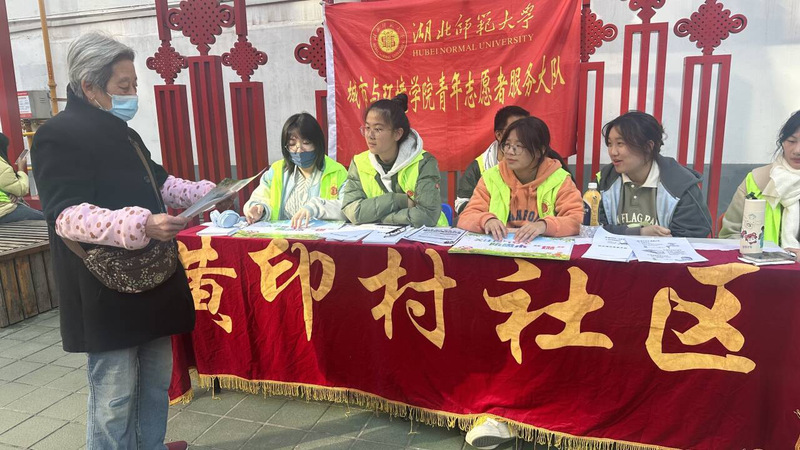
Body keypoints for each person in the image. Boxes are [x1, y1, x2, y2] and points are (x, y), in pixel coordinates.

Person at [31, 32, 225, 450]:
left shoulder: (124, 133)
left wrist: (205, 193)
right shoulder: (57, 136)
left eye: (134, 84)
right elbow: (65, 215)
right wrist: (142, 224)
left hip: (152, 275)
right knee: (114, 395)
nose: (132, 93)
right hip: (105, 285)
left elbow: (159, 181)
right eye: (124, 85)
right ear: (89, 85)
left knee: (155, 382)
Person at [457, 116, 583, 243]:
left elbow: (577, 220)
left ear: (540, 151)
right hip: (500, 248)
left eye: (518, 146)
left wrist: (544, 225)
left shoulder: (559, 179)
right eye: (507, 145)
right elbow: (466, 217)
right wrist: (486, 220)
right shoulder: (491, 177)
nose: (510, 152)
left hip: (541, 251)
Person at [596, 111, 712, 238]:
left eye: (620, 144)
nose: (613, 152)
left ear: (648, 146)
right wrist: (639, 233)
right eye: (609, 144)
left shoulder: (681, 185)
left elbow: (692, 236)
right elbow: (593, 228)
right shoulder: (604, 180)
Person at [341, 93, 448, 227]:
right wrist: (397, 200)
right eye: (367, 128)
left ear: (397, 133)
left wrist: (380, 219)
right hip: (379, 237)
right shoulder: (359, 163)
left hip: (426, 237)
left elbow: (427, 216)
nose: (370, 135)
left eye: (378, 129)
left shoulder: (423, 162)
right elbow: (352, 211)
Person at [243, 112, 347, 228]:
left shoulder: (337, 172)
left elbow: (348, 209)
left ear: (317, 144)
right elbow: (259, 197)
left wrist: (316, 207)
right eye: (292, 144)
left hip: (321, 238)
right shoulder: (277, 171)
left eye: (306, 143)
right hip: (283, 237)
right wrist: (259, 209)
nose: (299, 149)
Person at [720, 110, 800, 256]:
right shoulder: (757, 180)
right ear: (782, 142)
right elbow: (729, 235)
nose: (797, 150)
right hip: (760, 265)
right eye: (791, 141)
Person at [455, 106, 529, 214]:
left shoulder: (543, 160)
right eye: (515, 130)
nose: (523, 135)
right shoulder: (479, 167)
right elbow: (461, 203)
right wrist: (488, 217)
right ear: (499, 135)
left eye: (527, 129)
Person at [0, 132, 44, 223]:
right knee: (46, 218)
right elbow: (21, 190)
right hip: (4, 211)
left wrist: (9, 193)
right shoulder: (2, 166)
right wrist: (21, 169)